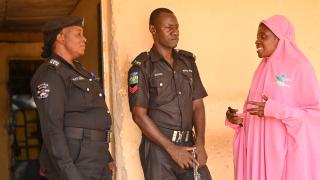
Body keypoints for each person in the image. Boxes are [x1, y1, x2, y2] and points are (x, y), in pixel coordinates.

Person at [226, 15, 320, 180]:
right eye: (257, 36)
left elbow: (314, 116)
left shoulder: (300, 67)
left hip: (283, 158)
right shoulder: (261, 70)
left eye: (263, 36)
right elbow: (258, 113)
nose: (257, 41)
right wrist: (241, 120)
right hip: (258, 154)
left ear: (281, 39)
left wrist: (275, 110)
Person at [127, 8, 212, 180]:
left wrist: (200, 143)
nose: (175, 32)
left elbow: (197, 105)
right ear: (153, 30)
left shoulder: (187, 62)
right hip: (159, 150)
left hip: (190, 146)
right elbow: (138, 114)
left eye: (177, 27)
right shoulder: (142, 67)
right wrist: (171, 149)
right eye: (168, 28)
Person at [31, 16, 115, 180]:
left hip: (96, 160)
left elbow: (90, 117)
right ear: (60, 37)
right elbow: (52, 129)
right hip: (76, 163)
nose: (84, 39)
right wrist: (70, 173)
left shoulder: (79, 70)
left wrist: (107, 157)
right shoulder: (51, 74)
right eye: (78, 34)